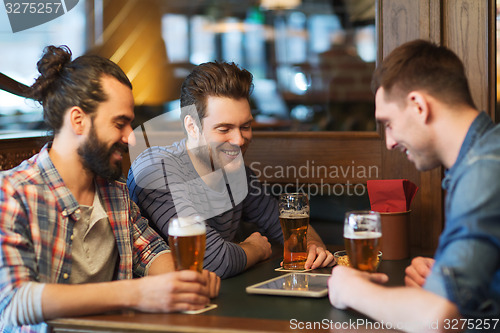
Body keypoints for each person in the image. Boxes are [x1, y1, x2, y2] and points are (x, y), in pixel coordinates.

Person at [0, 45, 220, 333]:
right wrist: (139, 293)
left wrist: (184, 282)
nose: (130, 138)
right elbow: (14, 301)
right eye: (120, 123)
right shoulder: (13, 193)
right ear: (78, 120)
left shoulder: (114, 192)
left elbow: (151, 252)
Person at [328, 39, 500, 331]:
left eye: (389, 123)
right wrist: (449, 278)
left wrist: (351, 290)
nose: (390, 141)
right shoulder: (486, 153)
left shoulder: (483, 172)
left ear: (419, 106)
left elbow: (439, 319)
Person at [127, 61, 334, 279]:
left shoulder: (237, 174)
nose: (239, 140)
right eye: (224, 129)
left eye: (245, 126)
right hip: (159, 305)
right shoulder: (156, 169)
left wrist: (312, 247)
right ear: (192, 127)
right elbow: (211, 262)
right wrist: (255, 248)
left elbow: (284, 226)